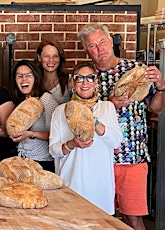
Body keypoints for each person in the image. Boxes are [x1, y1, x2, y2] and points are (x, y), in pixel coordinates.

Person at [78, 23, 165, 229]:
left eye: (102, 42)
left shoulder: (136, 71)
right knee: (97, 218)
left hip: (131, 156)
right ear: (87, 50)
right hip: (97, 159)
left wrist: (161, 87)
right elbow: (78, 114)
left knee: (132, 218)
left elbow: (156, 108)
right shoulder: (85, 77)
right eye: (92, 46)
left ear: (110, 41)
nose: (99, 49)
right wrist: (108, 103)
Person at [49, 61, 123, 215]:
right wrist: (72, 144)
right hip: (71, 183)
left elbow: (116, 141)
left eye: (90, 78)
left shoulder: (107, 107)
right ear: (72, 82)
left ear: (96, 82)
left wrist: (93, 121)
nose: (84, 82)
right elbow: (54, 151)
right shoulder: (60, 111)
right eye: (79, 78)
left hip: (100, 187)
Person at [9, 60, 58, 172]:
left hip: (43, 163)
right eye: (19, 76)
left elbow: (56, 135)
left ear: (36, 78)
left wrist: (31, 134)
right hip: (22, 161)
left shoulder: (46, 99)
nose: (24, 79)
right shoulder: (19, 102)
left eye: (28, 75)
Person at [35, 40, 71, 104]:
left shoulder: (69, 81)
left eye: (55, 56)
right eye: (46, 56)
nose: (51, 60)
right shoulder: (32, 81)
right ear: (39, 58)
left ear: (60, 58)